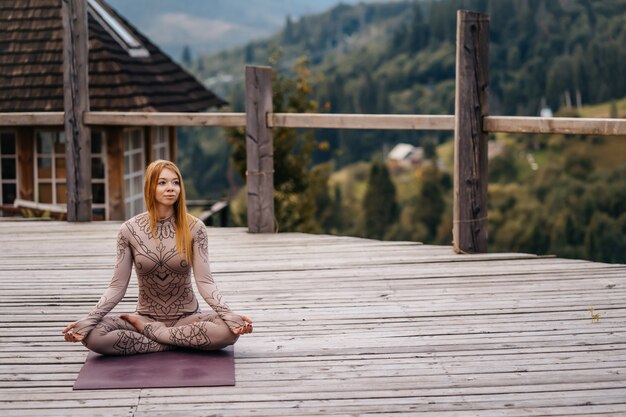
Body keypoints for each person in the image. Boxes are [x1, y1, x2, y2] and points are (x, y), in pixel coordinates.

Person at [63, 160, 252, 355]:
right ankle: (174, 340)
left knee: (228, 333)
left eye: (175, 182)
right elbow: (117, 286)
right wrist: (90, 319)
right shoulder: (129, 230)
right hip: (145, 317)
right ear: (150, 187)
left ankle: (156, 336)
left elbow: (205, 281)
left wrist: (228, 314)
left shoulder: (195, 228)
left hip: (187, 317)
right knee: (92, 335)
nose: (171, 188)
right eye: (162, 183)